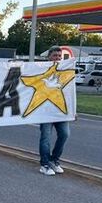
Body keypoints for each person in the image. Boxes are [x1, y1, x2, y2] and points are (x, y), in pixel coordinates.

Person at [39, 45, 70, 176]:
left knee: (64, 134)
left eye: (59, 56)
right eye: (54, 56)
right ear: (49, 57)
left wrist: (73, 111)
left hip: (60, 110)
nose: (57, 58)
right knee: (46, 137)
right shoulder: (40, 70)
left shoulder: (65, 71)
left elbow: (69, 92)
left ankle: (54, 160)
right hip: (45, 110)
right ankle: (45, 164)